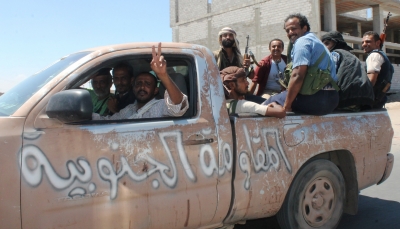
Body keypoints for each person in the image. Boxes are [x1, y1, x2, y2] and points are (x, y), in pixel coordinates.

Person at [263, 13, 339, 116]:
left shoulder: (302, 42)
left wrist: (287, 106)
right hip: (331, 100)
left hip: (316, 99)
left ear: (304, 28)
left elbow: (297, 76)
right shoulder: (315, 40)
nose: (290, 33)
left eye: (294, 29)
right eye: (287, 31)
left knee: (267, 104)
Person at [92, 43, 189, 120]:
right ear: (133, 88)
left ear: (155, 90)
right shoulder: (129, 109)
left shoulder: (160, 106)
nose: (142, 87)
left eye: (147, 84)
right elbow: (108, 120)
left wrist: (163, 75)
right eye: (138, 83)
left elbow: (178, 106)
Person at [321, 31, 374, 111]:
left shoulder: (334, 54)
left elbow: (329, 78)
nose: (324, 47)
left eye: (327, 44)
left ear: (336, 43)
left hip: (348, 98)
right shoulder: (351, 55)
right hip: (366, 99)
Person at [221, 66, 286, 118]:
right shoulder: (242, 105)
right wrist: (274, 104)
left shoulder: (221, 105)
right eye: (243, 80)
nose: (247, 83)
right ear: (232, 85)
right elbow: (280, 112)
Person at [362, 31, 394, 108]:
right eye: (363, 42)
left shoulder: (374, 55)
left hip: (371, 101)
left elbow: (371, 81)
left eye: (368, 42)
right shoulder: (381, 54)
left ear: (378, 43)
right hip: (379, 99)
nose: (364, 44)